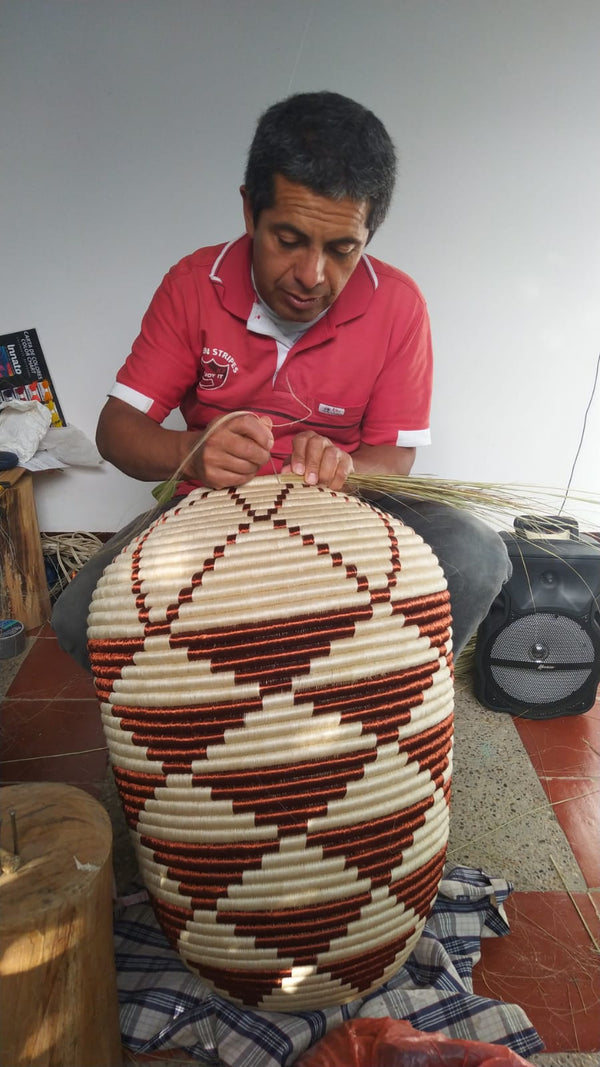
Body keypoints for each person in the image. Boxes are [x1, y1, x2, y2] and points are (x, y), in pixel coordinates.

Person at [52, 91, 510, 669]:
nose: (311, 276)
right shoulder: (194, 284)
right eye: (288, 240)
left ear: (369, 233)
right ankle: (219, 737)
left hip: (346, 510)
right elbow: (116, 431)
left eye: (343, 249)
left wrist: (346, 472)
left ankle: (374, 709)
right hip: (210, 506)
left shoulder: (398, 305)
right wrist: (190, 453)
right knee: (79, 618)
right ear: (250, 211)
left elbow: (391, 460)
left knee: (476, 558)